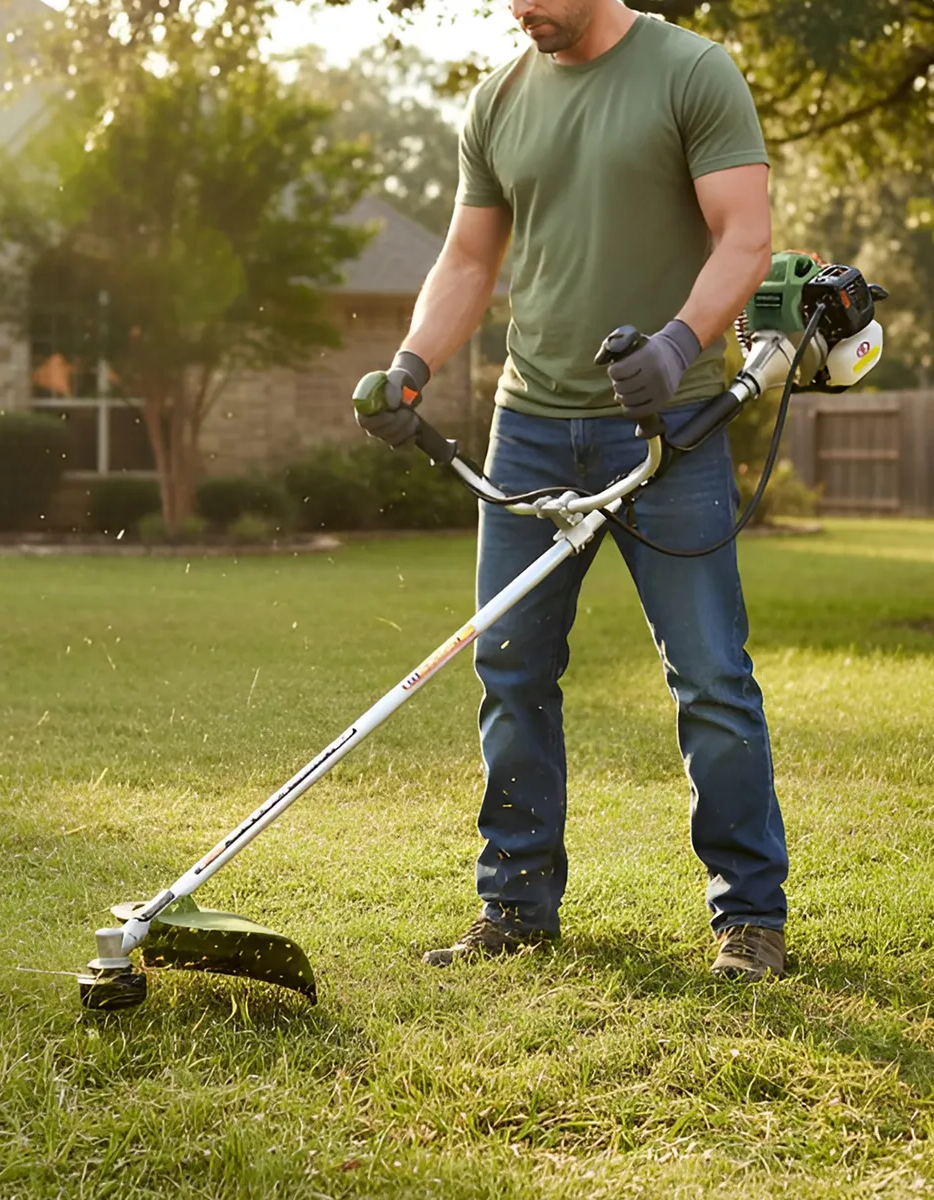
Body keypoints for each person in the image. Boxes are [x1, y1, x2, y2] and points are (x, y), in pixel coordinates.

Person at [355, 0, 788, 980]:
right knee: (509, 670)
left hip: (670, 428)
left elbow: (745, 238)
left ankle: (751, 916)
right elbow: (470, 258)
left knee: (711, 675)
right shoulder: (499, 99)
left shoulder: (692, 71)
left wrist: (679, 343)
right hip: (530, 428)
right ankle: (514, 905)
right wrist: (412, 364)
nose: (523, 10)